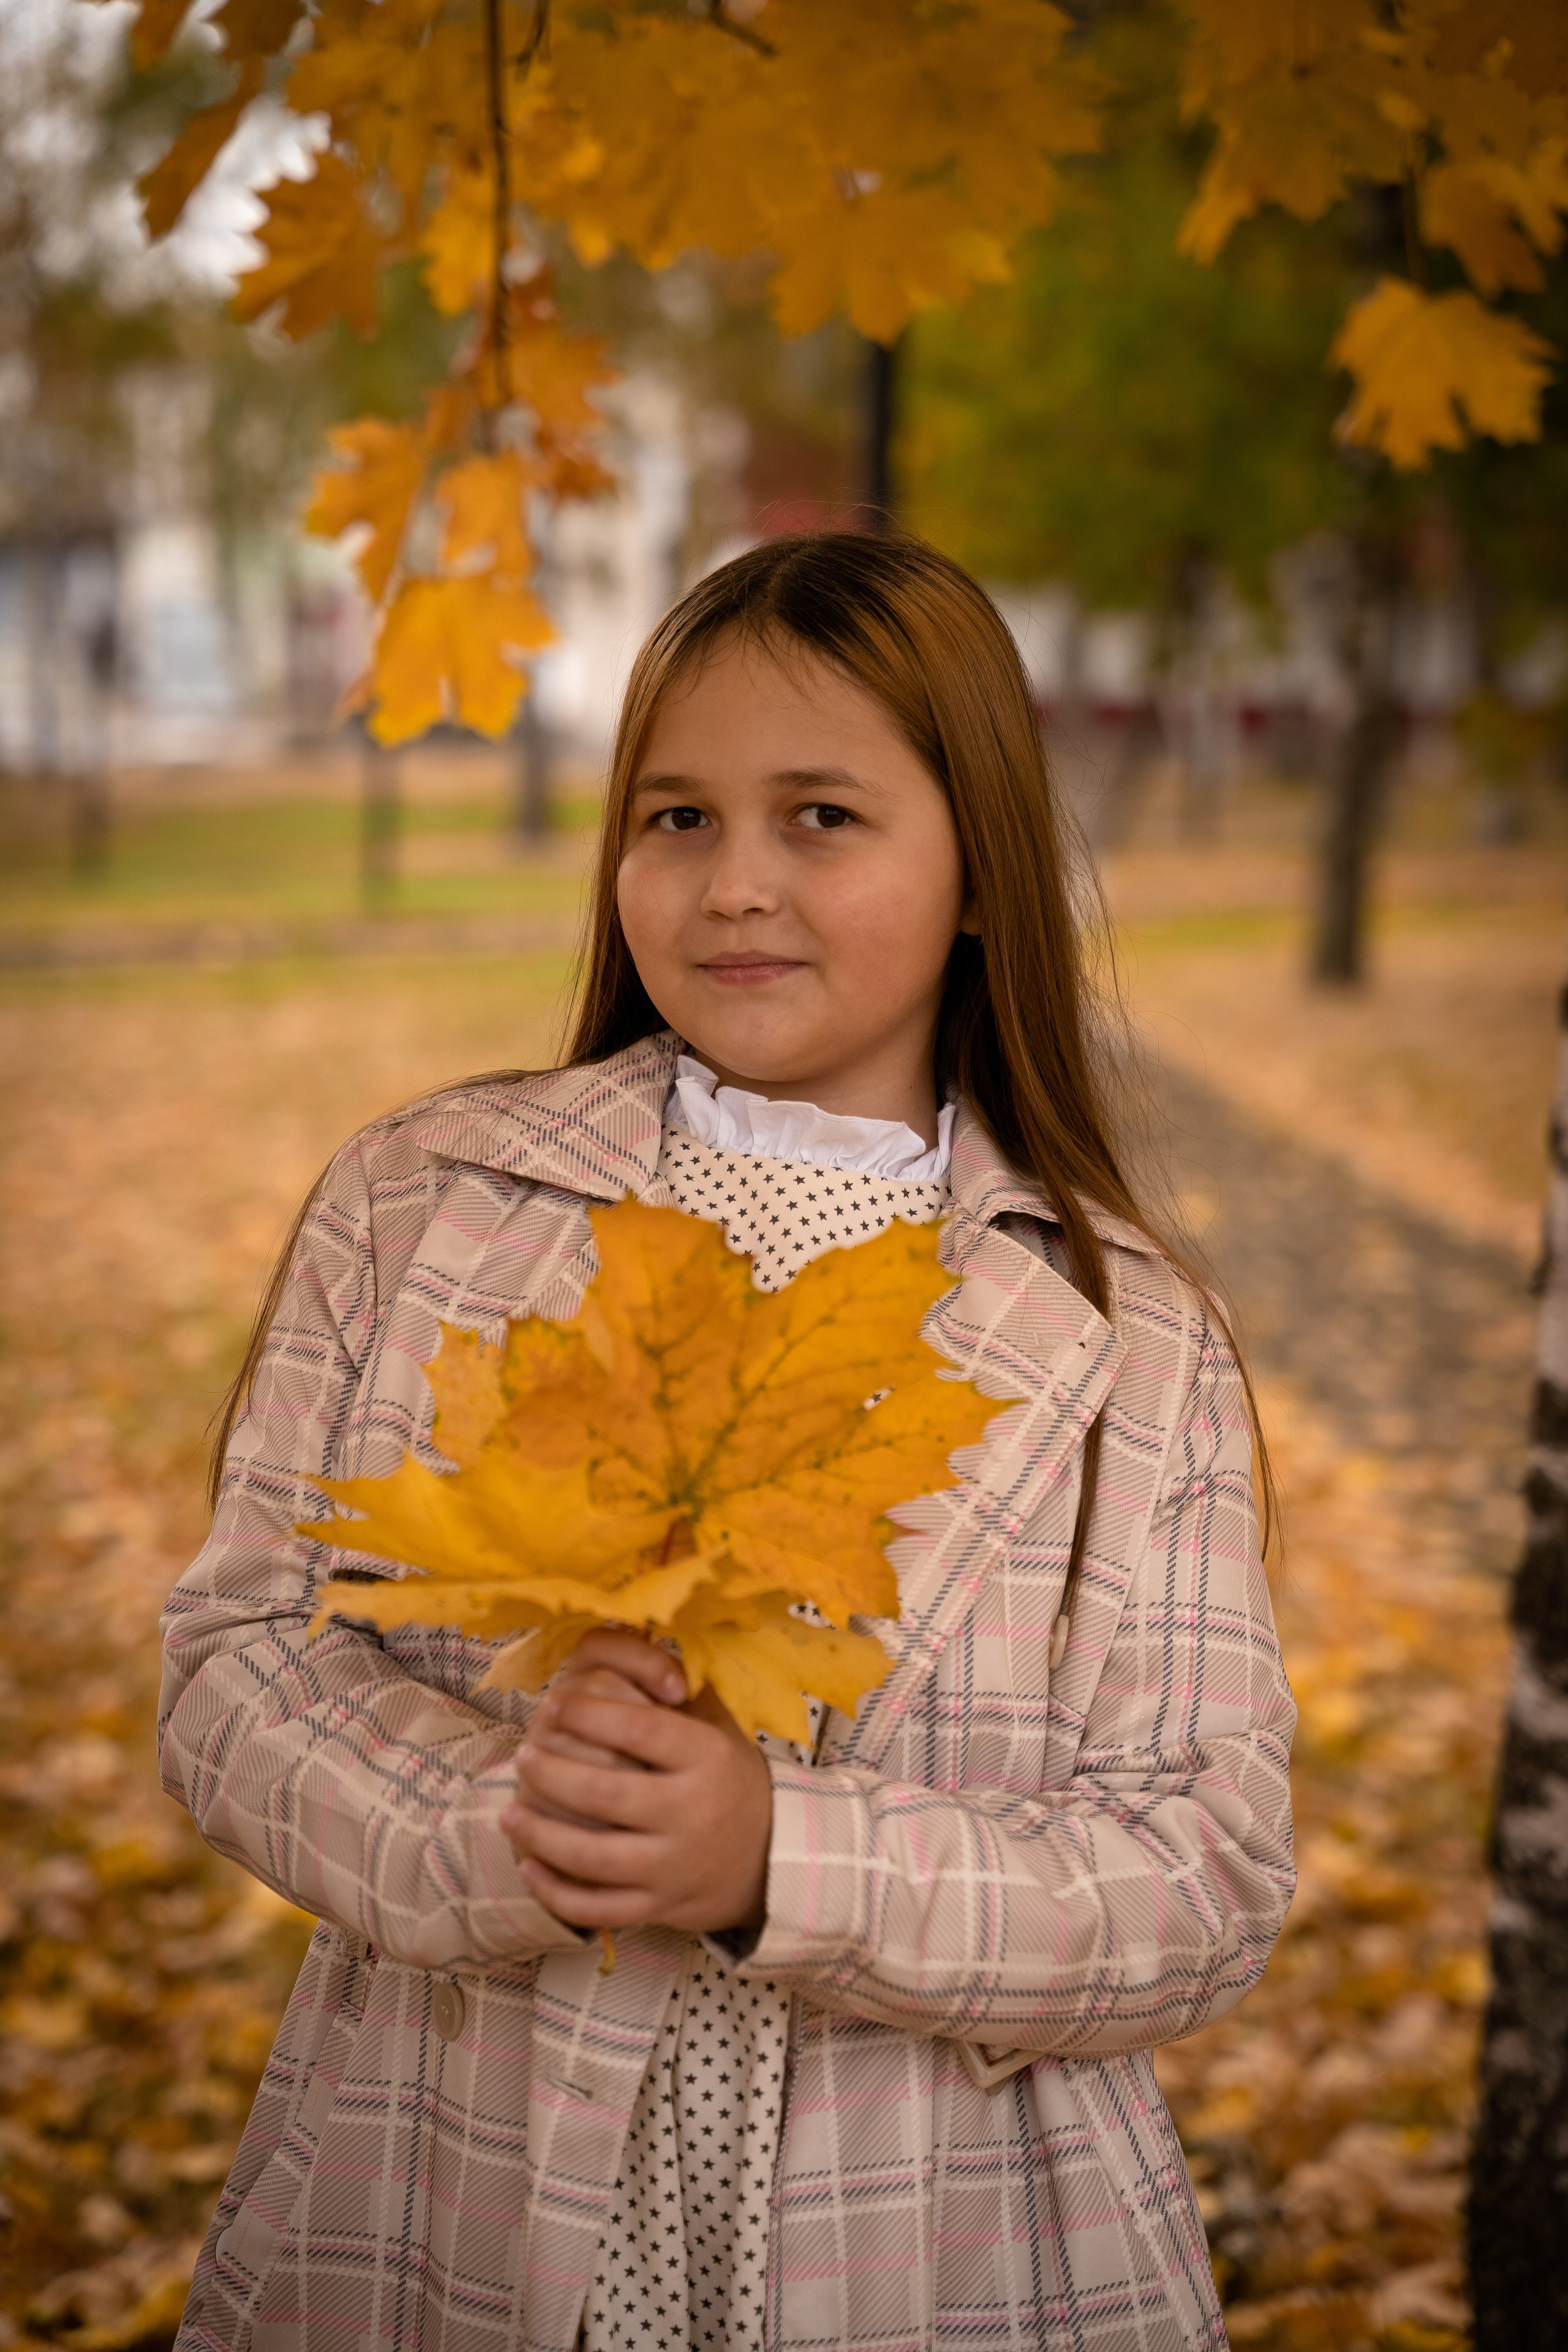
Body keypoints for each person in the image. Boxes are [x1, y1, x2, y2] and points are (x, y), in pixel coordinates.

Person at [160, 533, 1295, 2352]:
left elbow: (1205, 1875)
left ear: (978, 872)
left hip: (940, 2252)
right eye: (676, 818)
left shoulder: (1127, 1345)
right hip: (448, 2179)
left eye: (822, 817)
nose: (734, 885)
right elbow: (236, 1662)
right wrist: (510, 1829)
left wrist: (787, 1859)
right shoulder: (427, 1205)